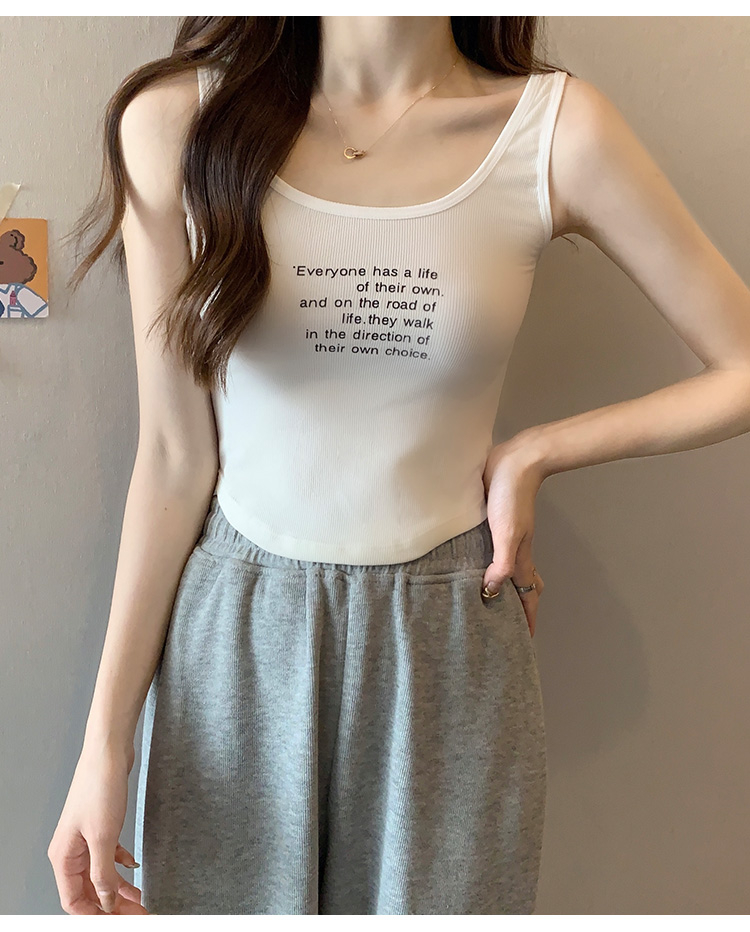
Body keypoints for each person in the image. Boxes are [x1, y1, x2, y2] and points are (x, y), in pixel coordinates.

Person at [48, 15, 750, 916]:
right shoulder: (176, 123)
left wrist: (536, 452)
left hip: (448, 637)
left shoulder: (554, 130)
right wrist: (104, 748)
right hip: (236, 645)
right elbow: (174, 457)